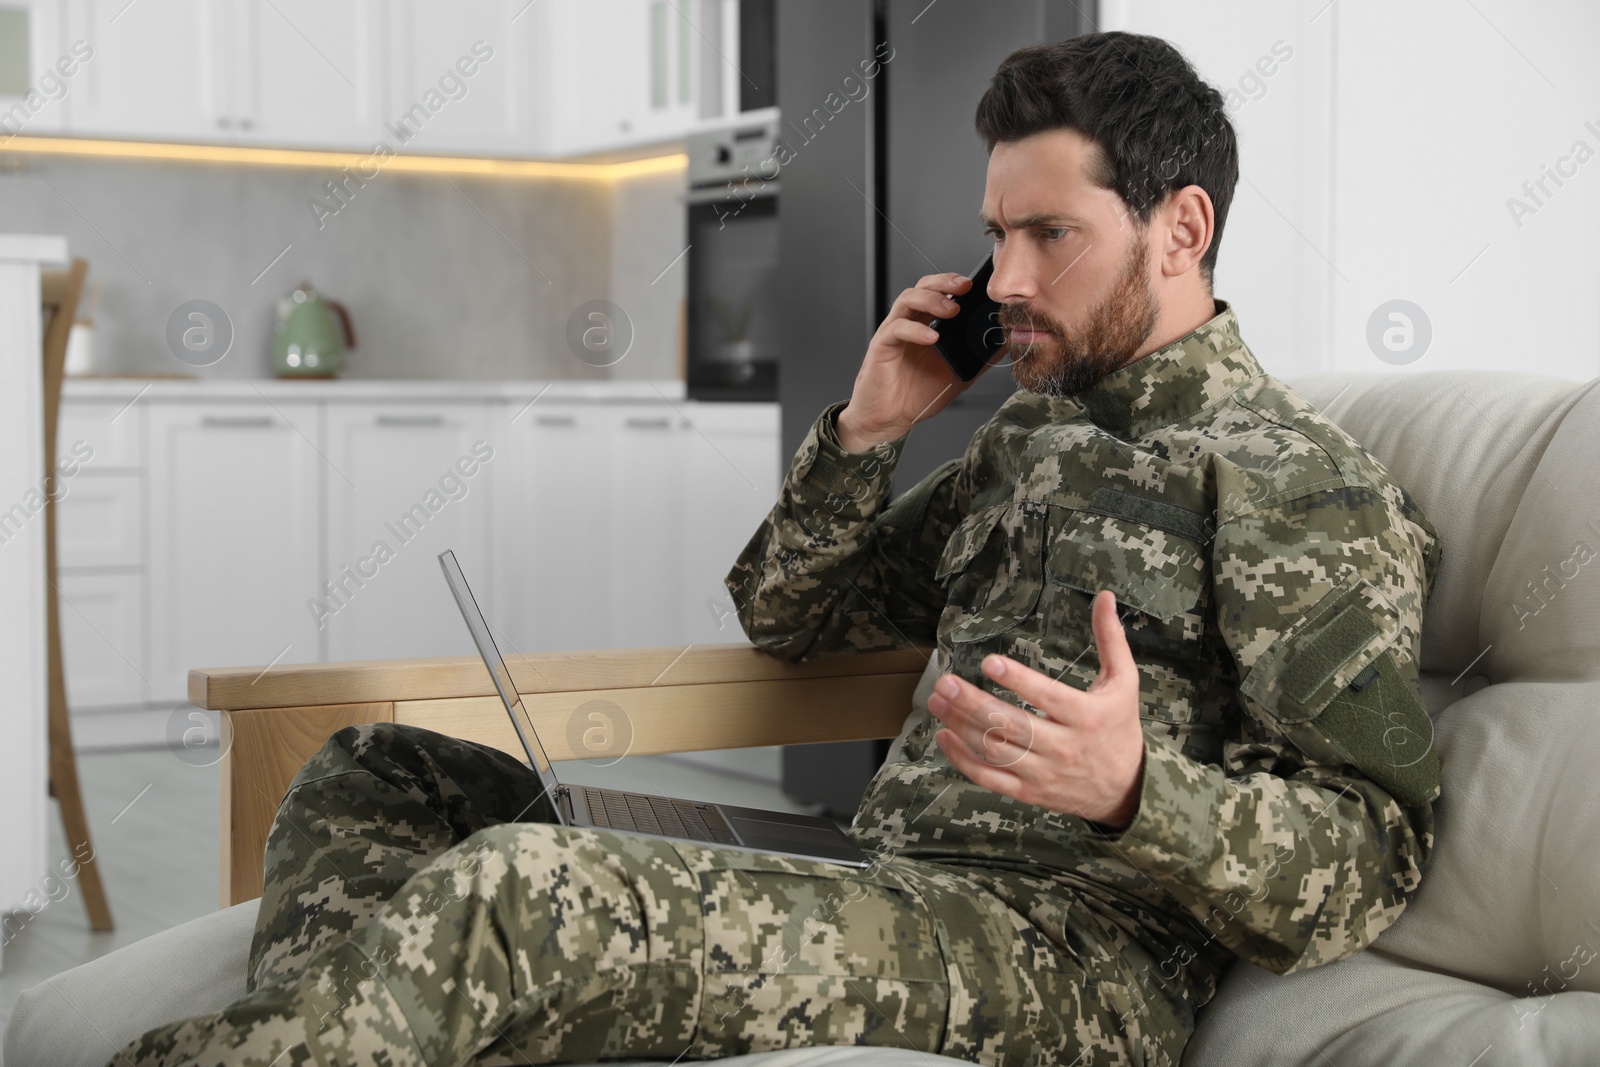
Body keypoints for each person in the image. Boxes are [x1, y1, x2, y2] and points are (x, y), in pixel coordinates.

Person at [116, 30, 1441, 1067]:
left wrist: (1135, 785)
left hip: (1071, 963)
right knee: (373, 775)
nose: (1007, 282)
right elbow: (791, 621)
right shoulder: (1032, 440)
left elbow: (1375, 850)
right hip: (880, 877)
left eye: (1051, 235)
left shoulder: (1301, 490)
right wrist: (866, 434)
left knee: (523, 888)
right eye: (996, 235)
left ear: (1183, 228)